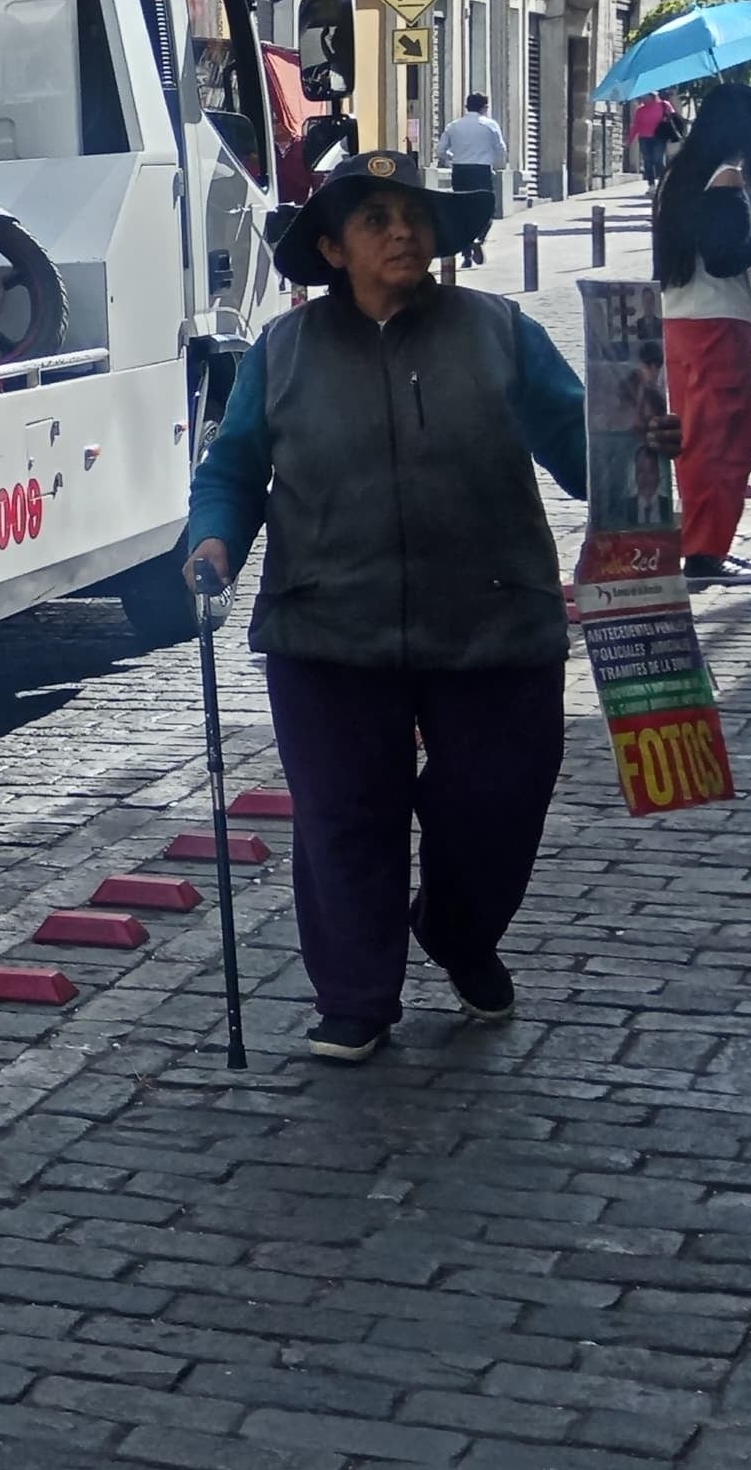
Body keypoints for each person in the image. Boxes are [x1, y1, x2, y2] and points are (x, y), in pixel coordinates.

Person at [182, 151, 618, 1066]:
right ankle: (355, 996)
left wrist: (636, 453)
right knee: (346, 814)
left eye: (413, 214)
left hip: (495, 618)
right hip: (329, 625)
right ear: (333, 248)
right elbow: (234, 467)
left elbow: (580, 449)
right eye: (375, 218)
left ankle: (458, 934)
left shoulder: (500, 331)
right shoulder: (284, 351)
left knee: (498, 805)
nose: (402, 232)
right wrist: (215, 539)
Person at [653, 83, 751, 588]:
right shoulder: (727, 178)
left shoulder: (678, 174)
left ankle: (704, 547)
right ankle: (706, 553)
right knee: (724, 442)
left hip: (682, 317)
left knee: (699, 438)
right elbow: (724, 257)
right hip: (717, 322)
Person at [438, 90, 507, 267]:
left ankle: (466, 254)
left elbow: (440, 151)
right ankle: (478, 238)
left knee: (462, 212)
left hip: (460, 172)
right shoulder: (490, 125)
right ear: (485, 107)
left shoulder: (453, 126)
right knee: (487, 209)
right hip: (481, 171)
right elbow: (500, 149)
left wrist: (454, 158)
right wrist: (497, 164)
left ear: (466, 106)